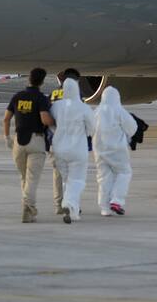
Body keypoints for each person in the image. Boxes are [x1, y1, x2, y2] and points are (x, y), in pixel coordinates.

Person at [4, 67, 55, 223]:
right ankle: (29, 207)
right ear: (42, 81)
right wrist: (56, 123)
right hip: (36, 141)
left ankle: (28, 209)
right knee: (32, 179)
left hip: (18, 141)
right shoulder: (41, 98)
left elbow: (6, 119)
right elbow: (45, 119)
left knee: (24, 178)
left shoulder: (18, 97)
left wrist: (7, 137)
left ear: (29, 79)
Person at [50, 78, 95, 224]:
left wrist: (58, 132)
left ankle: (72, 210)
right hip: (77, 149)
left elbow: (50, 124)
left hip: (59, 148)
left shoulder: (56, 106)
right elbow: (92, 129)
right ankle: (69, 204)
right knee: (77, 180)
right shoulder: (83, 108)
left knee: (66, 180)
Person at [93, 86, 137, 216]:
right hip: (117, 149)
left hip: (99, 149)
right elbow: (132, 127)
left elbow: (89, 129)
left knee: (103, 177)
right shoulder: (119, 110)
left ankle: (104, 208)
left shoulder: (96, 111)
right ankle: (116, 201)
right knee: (124, 173)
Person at [49, 68, 82, 214]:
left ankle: (58, 205)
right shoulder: (75, 95)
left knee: (58, 174)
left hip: (55, 138)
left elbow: (47, 115)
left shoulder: (53, 94)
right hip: (72, 140)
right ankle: (71, 204)